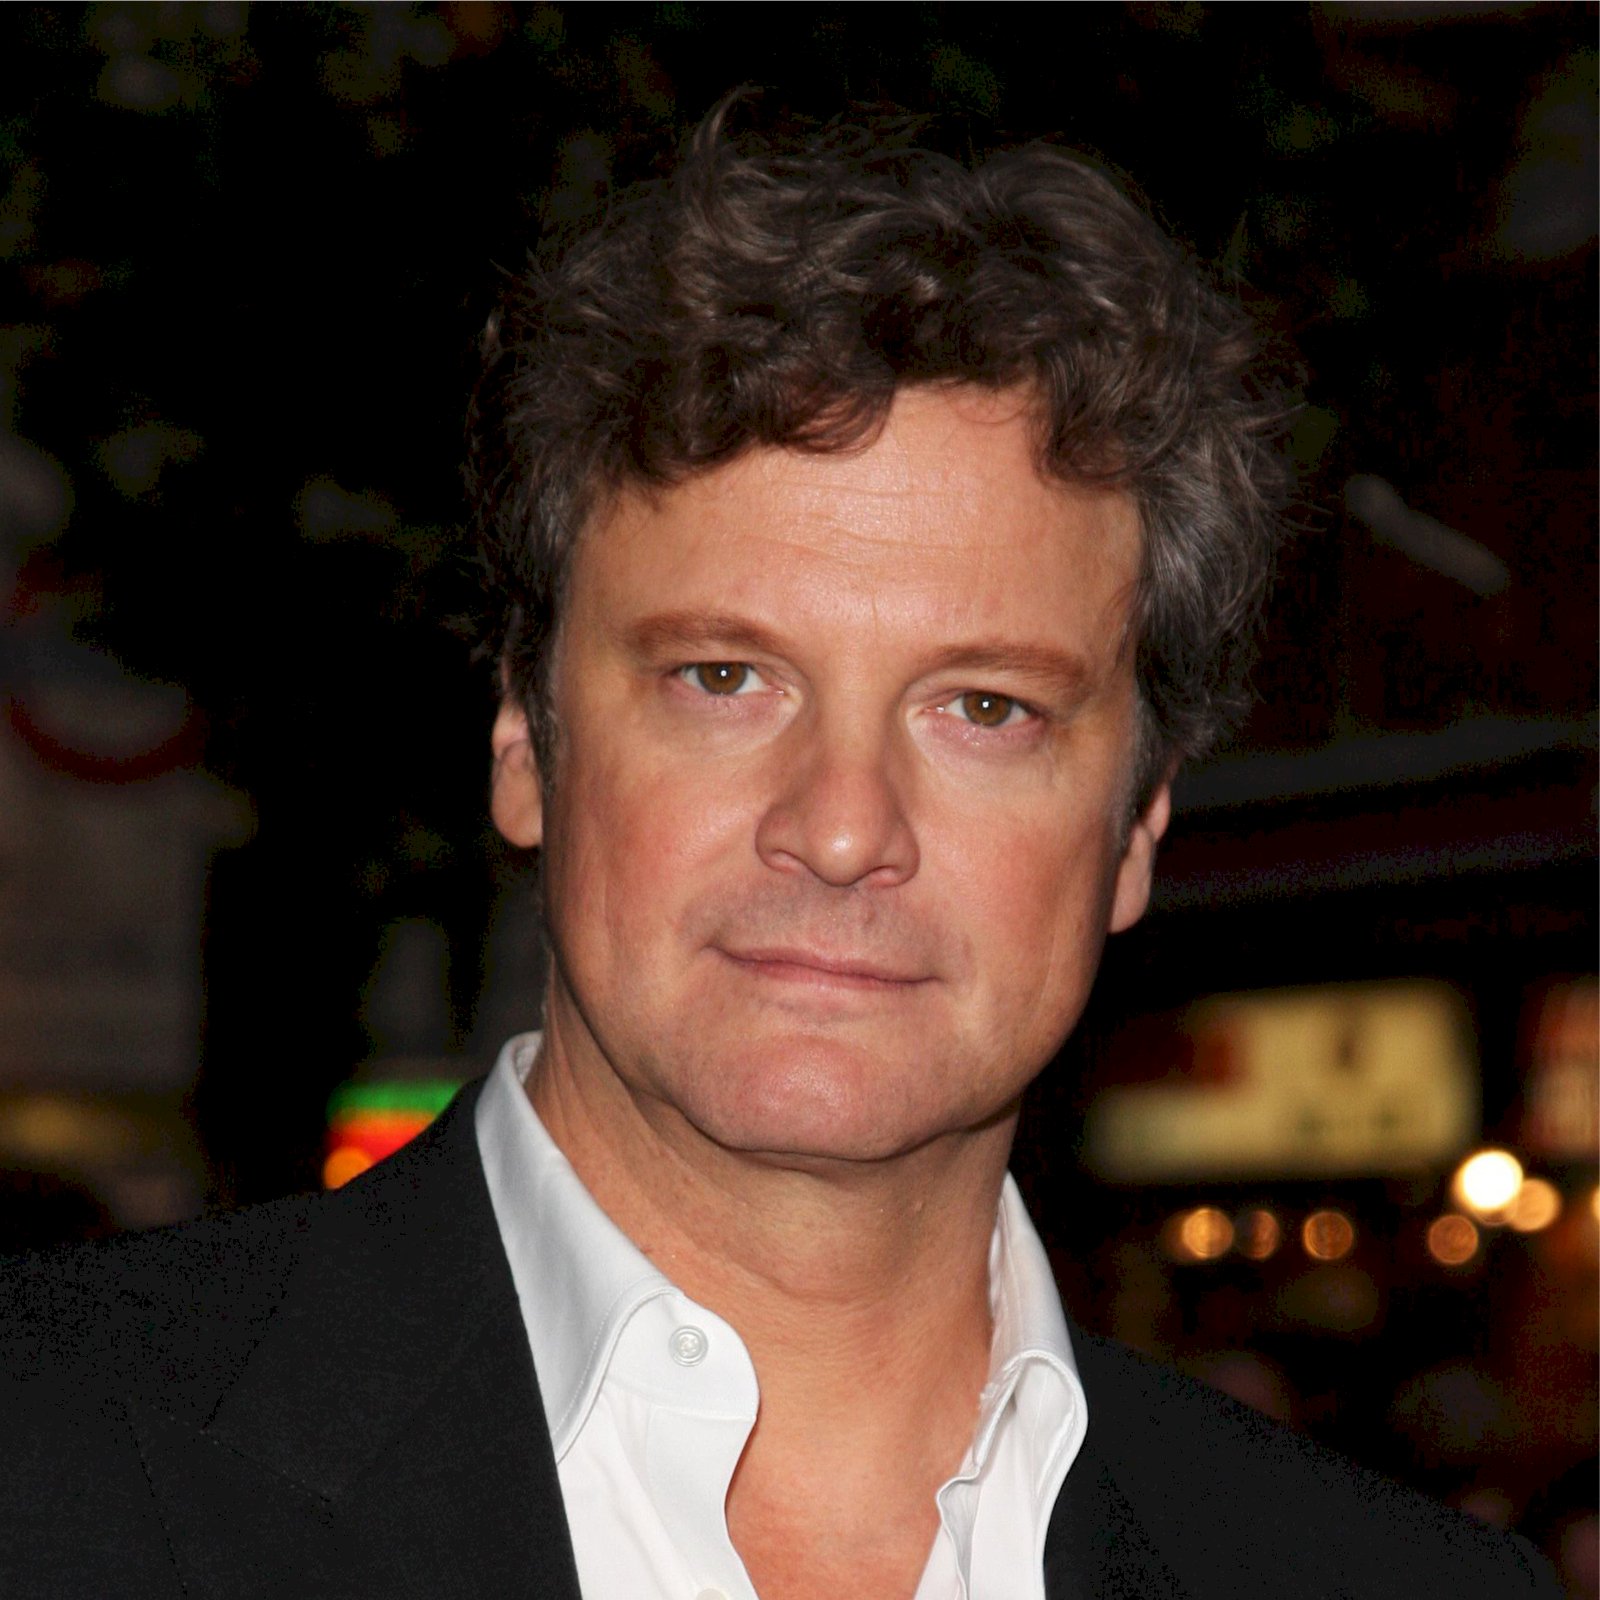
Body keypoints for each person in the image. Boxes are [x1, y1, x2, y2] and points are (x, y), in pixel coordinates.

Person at [2, 103, 1558, 1600]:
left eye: (986, 708)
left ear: (1138, 827)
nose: (841, 826)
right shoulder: (44, 1463)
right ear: (528, 743)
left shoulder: (1398, 1585)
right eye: (724, 677)